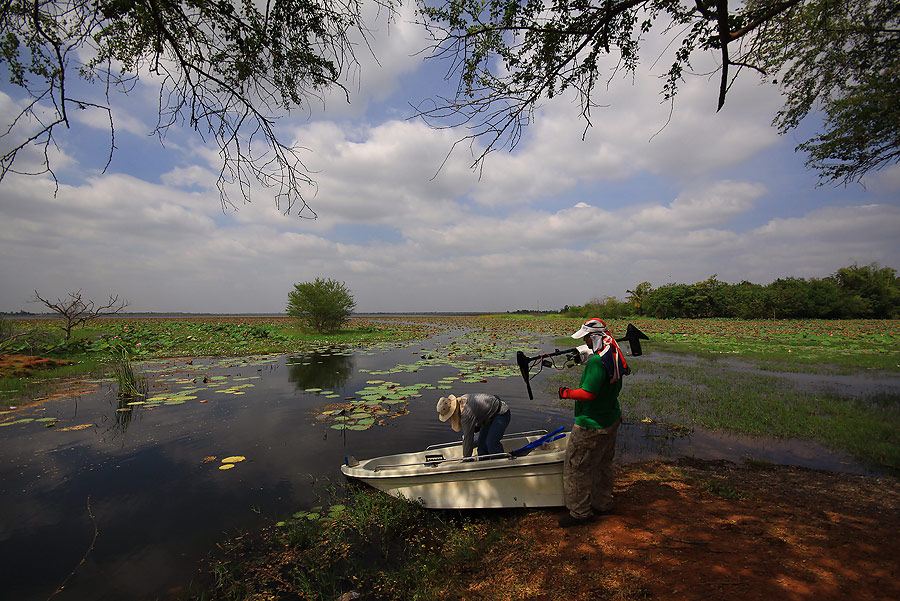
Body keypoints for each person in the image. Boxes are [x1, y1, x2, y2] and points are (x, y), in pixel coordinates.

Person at [556, 318, 631, 527]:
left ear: (593, 337)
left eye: (587, 338)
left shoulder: (597, 362)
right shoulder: (613, 353)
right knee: (603, 464)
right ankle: (602, 503)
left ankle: (579, 513)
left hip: (591, 423)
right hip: (610, 417)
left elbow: (588, 394)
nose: (586, 342)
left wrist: (567, 393)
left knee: (576, 467)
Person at [436, 393, 511, 459]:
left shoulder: (466, 413)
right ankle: (483, 467)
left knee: (491, 443)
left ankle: (498, 465)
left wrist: (466, 459)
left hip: (501, 414)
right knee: (481, 446)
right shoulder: (462, 401)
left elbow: (468, 437)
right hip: (487, 418)